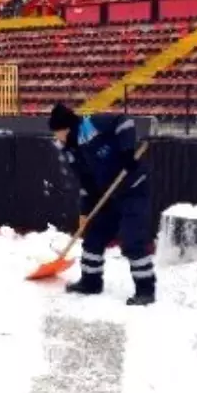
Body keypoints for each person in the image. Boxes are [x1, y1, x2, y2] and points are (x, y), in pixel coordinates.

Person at [48, 103, 154, 306]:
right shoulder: (70, 150)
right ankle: (90, 282)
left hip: (133, 189)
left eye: (57, 132)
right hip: (107, 194)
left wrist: (126, 152)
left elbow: (125, 123)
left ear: (66, 128)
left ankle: (145, 289)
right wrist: (87, 209)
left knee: (132, 239)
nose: (56, 137)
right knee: (93, 236)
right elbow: (84, 181)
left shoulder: (93, 124)